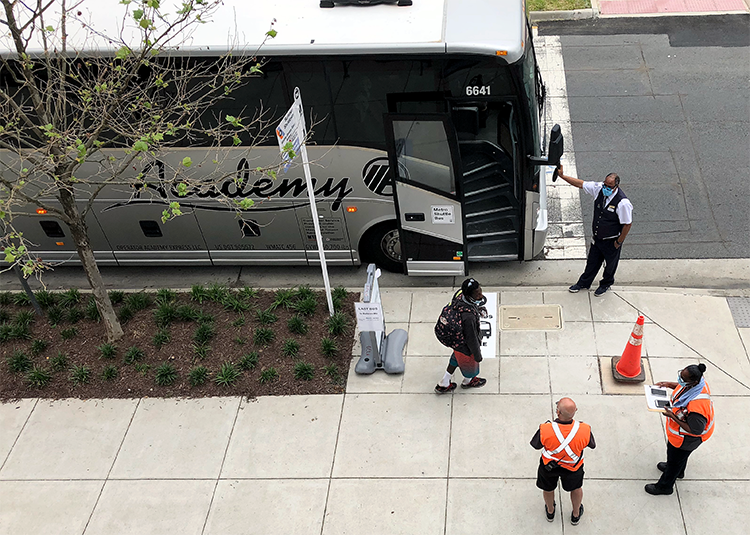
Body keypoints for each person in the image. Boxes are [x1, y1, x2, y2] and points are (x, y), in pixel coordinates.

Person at [556, 164, 633, 297]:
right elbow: (580, 184)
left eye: (609, 187)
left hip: (612, 241)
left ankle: (605, 284)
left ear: (616, 187)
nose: (606, 188)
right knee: (592, 262)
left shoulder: (623, 203)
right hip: (597, 239)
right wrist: (562, 176)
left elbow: (627, 224)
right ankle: (583, 283)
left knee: (610, 266)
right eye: (605, 185)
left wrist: (619, 242)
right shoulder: (599, 190)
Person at [645, 363, 714, 495]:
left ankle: (665, 487)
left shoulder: (696, 408)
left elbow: (695, 430)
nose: (680, 380)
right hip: (683, 438)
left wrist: (672, 416)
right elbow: (682, 388)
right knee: (678, 459)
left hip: (687, 439)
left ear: (693, 381)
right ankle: (679, 471)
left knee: (674, 461)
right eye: (680, 375)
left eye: (683, 378)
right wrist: (668, 385)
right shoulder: (698, 385)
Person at [530, 397, 596, 525]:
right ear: (575, 411)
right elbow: (592, 445)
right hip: (573, 468)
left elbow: (536, 445)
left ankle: (550, 511)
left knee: (548, 489)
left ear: (558, 412)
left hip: (549, 467)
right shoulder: (585, 429)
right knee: (576, 488)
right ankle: (575, 514)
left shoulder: (545, 429)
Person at [434, 278, 488, 393]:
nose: (481, 295)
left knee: (456, 358)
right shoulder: (468, 318)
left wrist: (477, 309)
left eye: (480, 291)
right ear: (469, 296)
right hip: (464, 346)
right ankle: (468, 381)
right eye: (477, 294)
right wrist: (477, 355)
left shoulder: (459, 294)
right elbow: (471, 339)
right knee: (470, 366)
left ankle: (444, 382)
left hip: (456, 342)